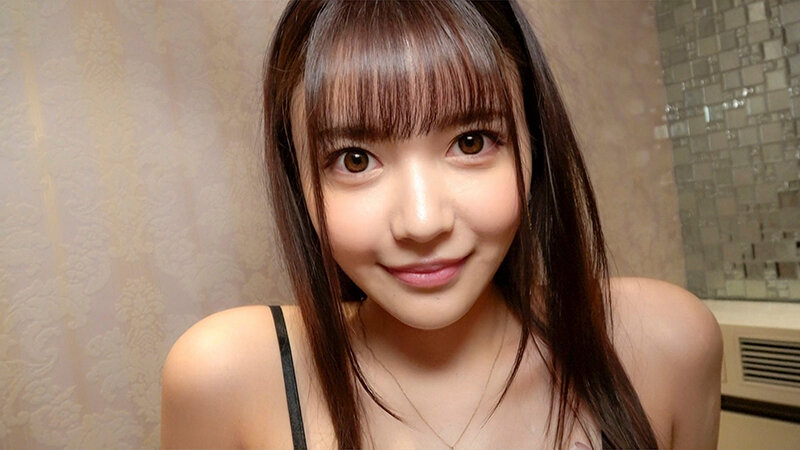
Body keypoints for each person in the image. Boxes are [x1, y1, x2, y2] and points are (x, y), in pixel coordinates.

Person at [161, 1, 723, 448]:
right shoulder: (228, 378)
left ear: (534, 144)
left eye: (471, 142)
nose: (423, 221)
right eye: (355, 159)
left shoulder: (663, 344)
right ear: (300, 181)